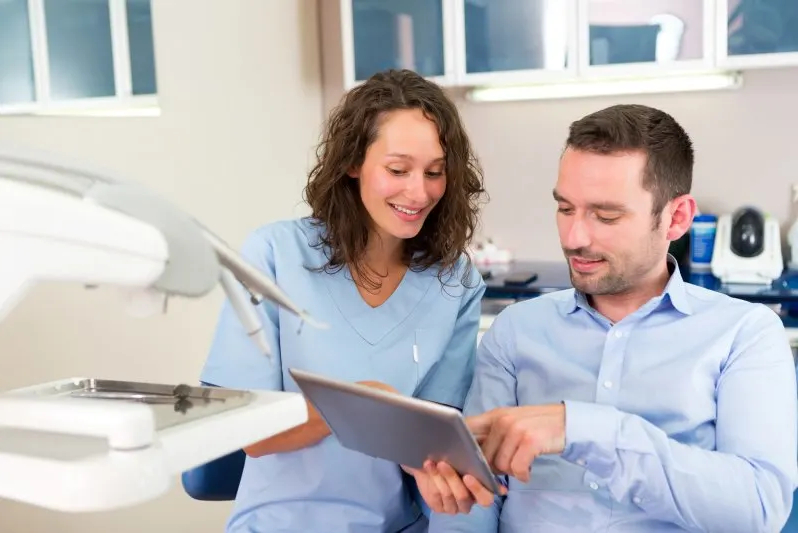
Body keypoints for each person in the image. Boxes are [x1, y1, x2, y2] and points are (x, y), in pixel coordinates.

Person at [408, 104, 798, 532]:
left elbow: (759, 508)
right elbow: (471, 501)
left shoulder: (744, 334)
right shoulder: (516, 332)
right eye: (565, 209)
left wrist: (583, 430)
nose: (574, 238)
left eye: (606, 215)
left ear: (677, 218)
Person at [199, 68, 487, 532]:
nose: (419, 192)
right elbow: (250, 433)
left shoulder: (456, 282)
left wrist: (441, 469)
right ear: (353, 162)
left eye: (435, 172)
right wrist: (365, 403)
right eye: (398, 170)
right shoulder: (274, 255)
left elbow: (435, 438)